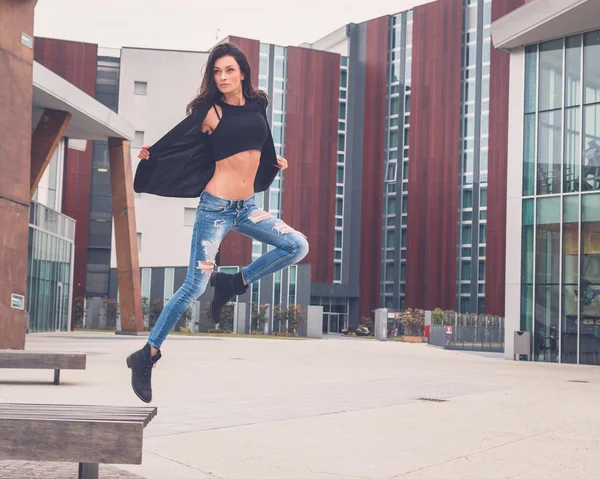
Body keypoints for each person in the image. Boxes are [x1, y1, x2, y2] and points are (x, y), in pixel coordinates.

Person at [126, 43, 309, 403]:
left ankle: (234, 282)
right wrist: (152, 157)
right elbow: (179, 143)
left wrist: (274, 161)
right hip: (215, 209)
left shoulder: (258, 105)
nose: (222, 77)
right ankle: (146, 355)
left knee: (297, 245)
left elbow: (261, 143)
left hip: (247, 207)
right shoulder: (211, 111)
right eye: (216, 72)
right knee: (194, 286)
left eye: (229, 70)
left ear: (242, 72)